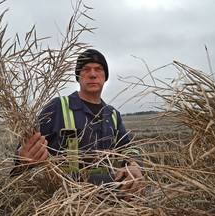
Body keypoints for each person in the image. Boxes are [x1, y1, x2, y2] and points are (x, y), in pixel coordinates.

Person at [13, 49, 145, 198]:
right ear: (78, 76)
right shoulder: (57, 106)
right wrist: (22, 157)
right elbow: (25, 149)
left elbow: (128, 147)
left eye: (99, 69)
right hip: (64, 198)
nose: (93, 74)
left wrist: (134, 164)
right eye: (86, 69)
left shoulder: (112, 115)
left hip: (107, 197)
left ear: (105, 76)